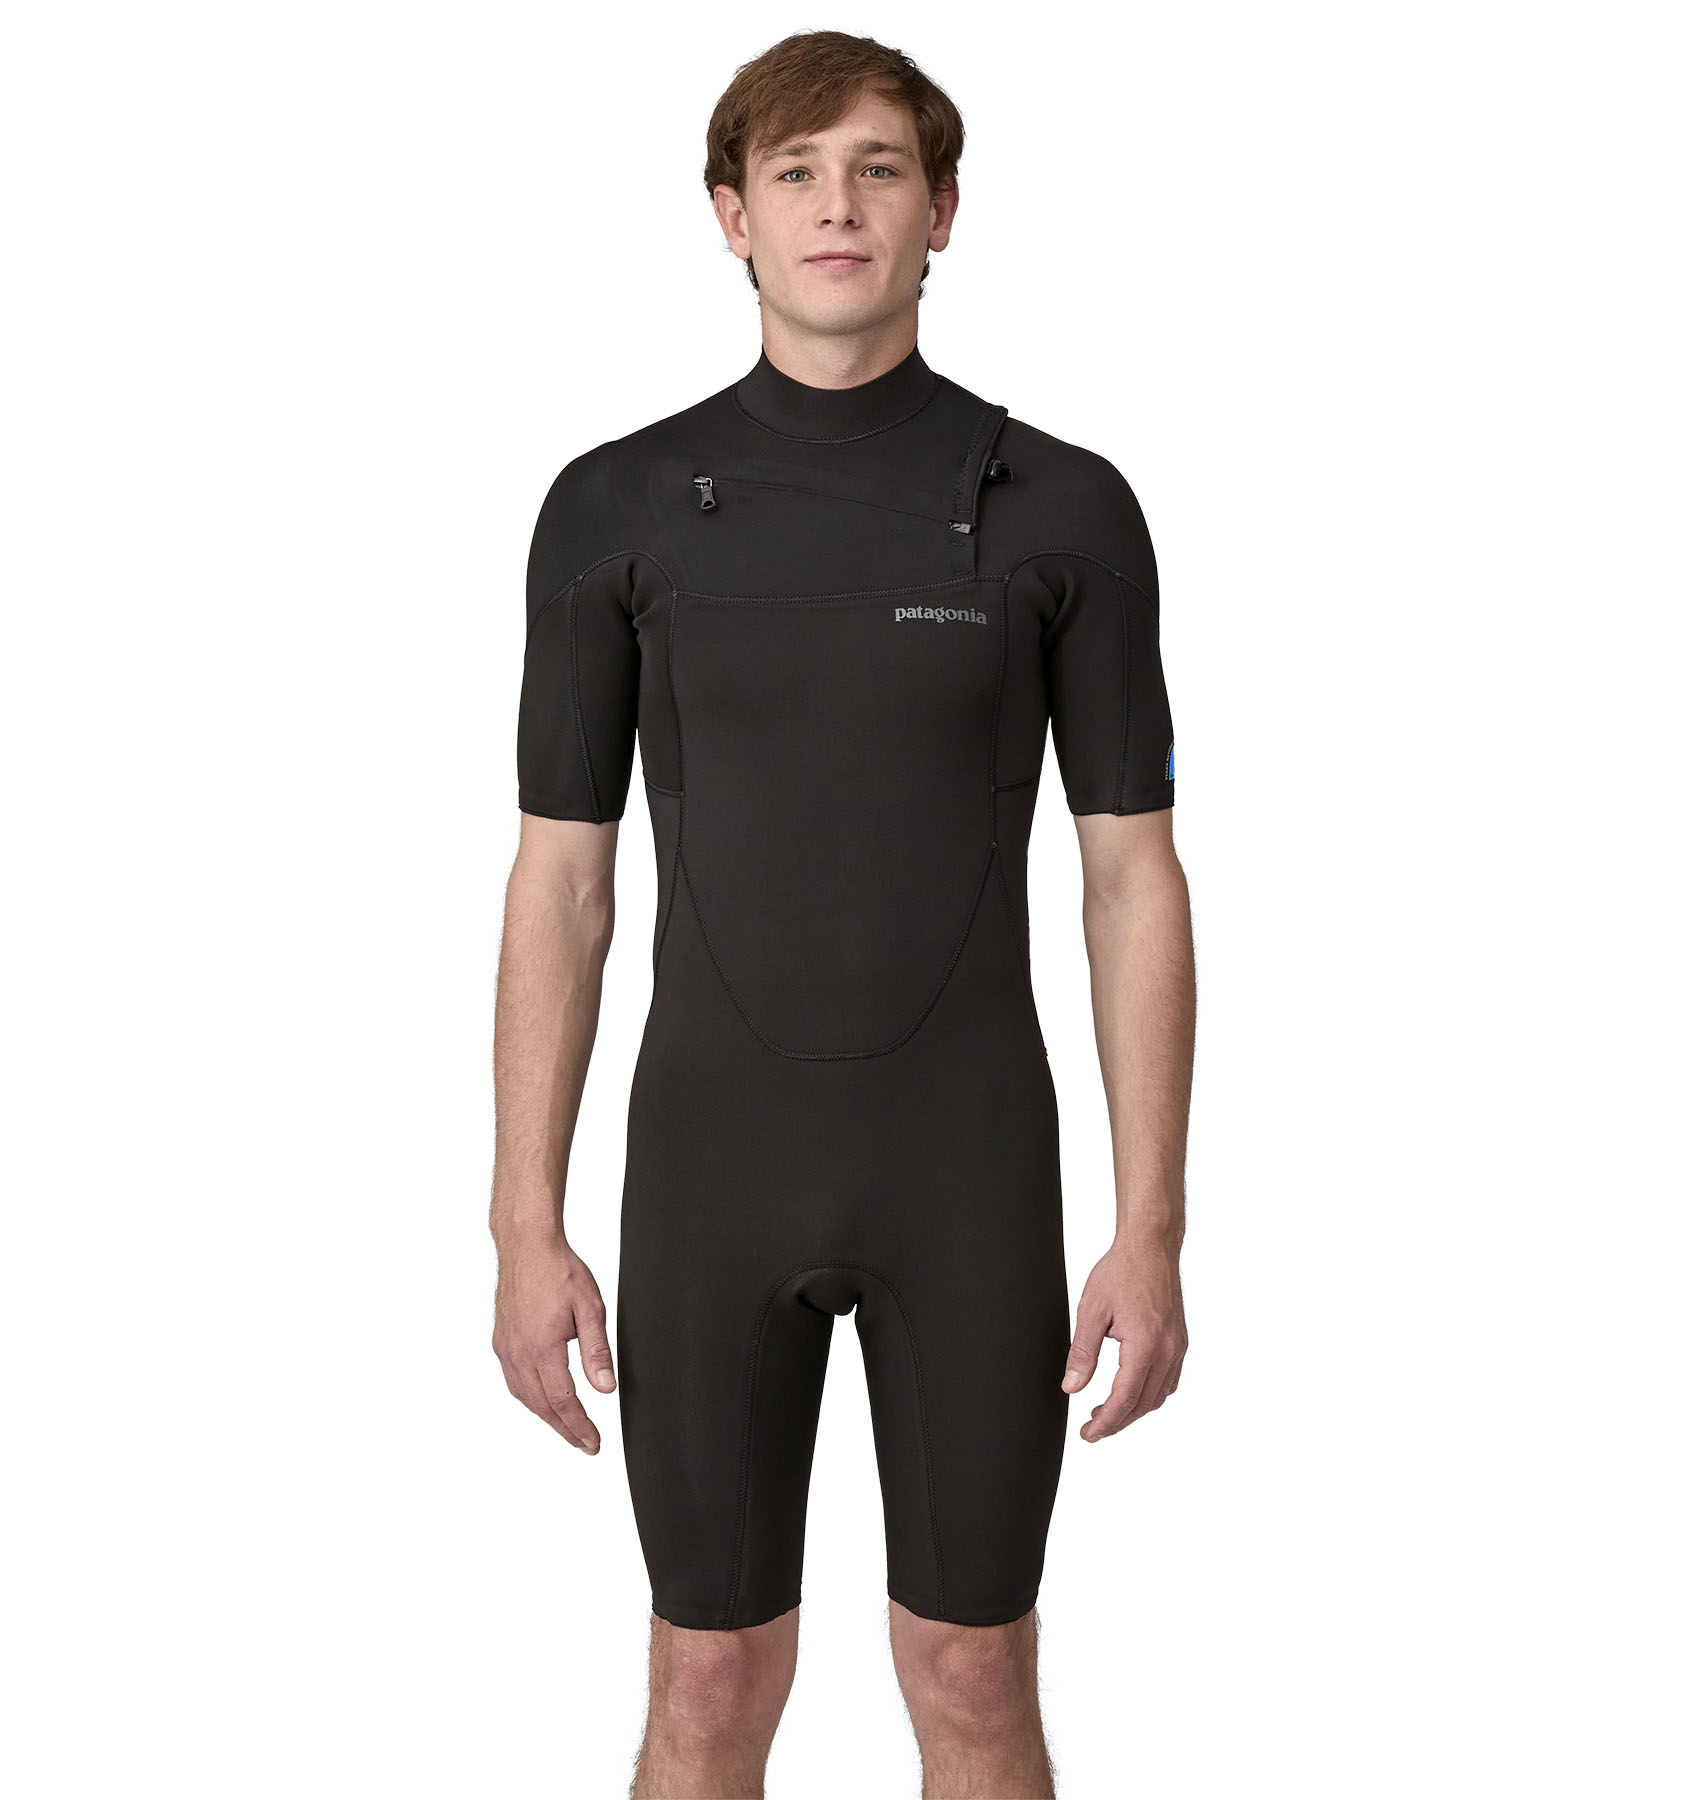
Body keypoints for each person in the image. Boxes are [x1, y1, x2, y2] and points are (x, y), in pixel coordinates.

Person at [490, 29, 1194, 1799]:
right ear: (730, 216)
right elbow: (562, 882)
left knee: (972, 1673)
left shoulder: (1068, 509)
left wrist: (1152, 1226)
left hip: (968, 1165)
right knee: (707, 1681)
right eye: (795, 172)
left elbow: (1132, 877)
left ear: (942, 210)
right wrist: (522, 1221)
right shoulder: (611, 509)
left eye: (880, 169)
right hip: (708, 1167)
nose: (838, 206)